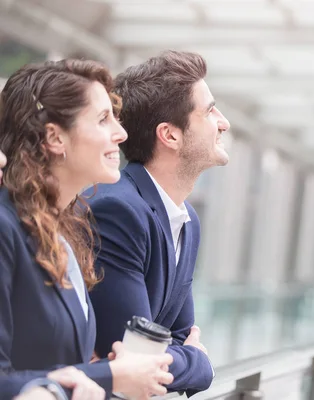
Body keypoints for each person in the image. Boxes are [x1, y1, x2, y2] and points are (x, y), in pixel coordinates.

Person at [0, 59, 174, 400]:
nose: (120, 133)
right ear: (54, 137)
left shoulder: (62, 233)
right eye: (102, 119)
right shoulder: (5, 228)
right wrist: (110, 376)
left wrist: (108, 375)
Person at [87, 50, 230, 393]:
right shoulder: (118, 211)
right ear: (170, 135)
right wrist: (198, 363)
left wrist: (182, 356)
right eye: (209, 111)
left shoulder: (187, 220)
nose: (223, 122)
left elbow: (180, 334)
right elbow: (131, 358)